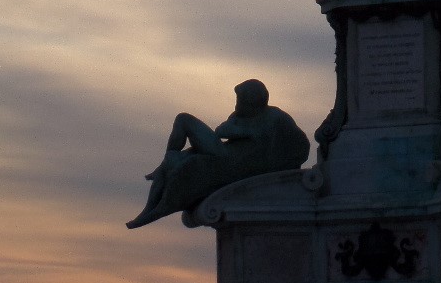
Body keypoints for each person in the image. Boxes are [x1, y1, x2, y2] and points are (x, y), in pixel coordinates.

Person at [128, 79, 310, 228]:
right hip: (224, 152)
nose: (238, 104)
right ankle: (149, 210)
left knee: (183, 122)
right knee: (172, 156)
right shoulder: (242, 116)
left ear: (253, 100)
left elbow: (300, 147)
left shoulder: (274, 118)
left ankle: (154, 209)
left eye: (241, 100)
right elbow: (222, 130)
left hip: (228, 160)